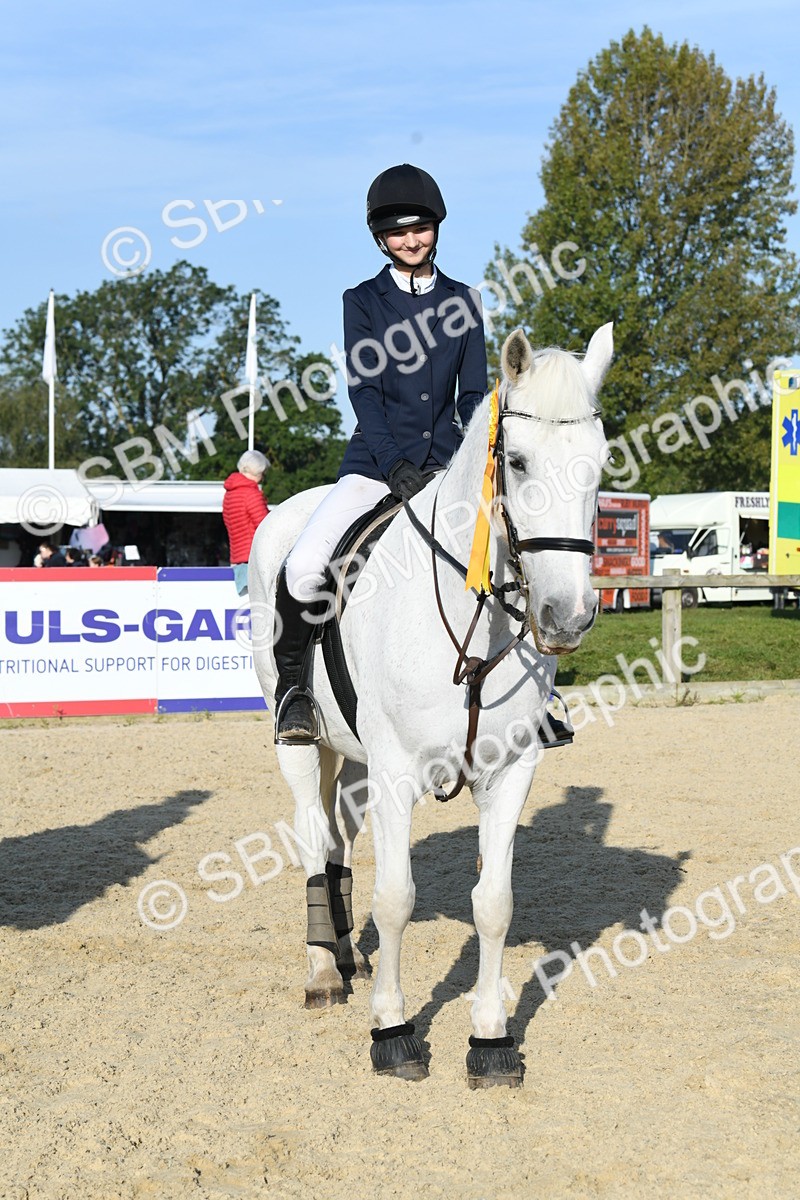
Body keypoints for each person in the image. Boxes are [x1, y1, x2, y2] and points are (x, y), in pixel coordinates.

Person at [273, 164, 487, 743]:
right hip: (375, 464)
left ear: (436, 228)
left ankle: (532, 699)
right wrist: (393, 465)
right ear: (380, 238)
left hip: (447, 467)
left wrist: (460, 461)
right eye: (398, 233)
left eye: (420, 229)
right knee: (305, 562)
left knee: (511, 552)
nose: (411, 240)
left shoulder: (464, 301)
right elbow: (363, 390)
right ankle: (293, 692)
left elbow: (472, 395)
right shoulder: (362, 301)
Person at [223, 450, 270, 595]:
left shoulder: (230, 493)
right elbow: (266, 527)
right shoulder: (251, 494)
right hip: (253, 559)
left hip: (237, 557)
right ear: (258, 471)